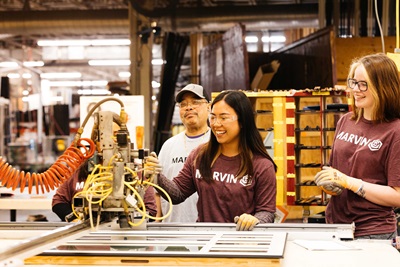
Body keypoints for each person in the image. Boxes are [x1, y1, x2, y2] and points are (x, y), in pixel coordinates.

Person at [147, 90, 277, 231]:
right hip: (205, 243)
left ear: (242, 121)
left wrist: (255, 220)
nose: (216, 124)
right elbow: (178, 193)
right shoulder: (200, 155)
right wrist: (157, 175)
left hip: (241, 244)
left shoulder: (261, 165)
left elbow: (267, 212)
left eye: (223, 118)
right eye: (213, 117)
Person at [315, 53, 400, 239]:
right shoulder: (346, 121)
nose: (355, 89)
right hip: (335, 227)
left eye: (363, 84)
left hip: (373, 232)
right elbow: (336, 171)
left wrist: (349, 182)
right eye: (353, 82)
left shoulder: (395, 131)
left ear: (383, 87)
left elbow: (397, 195)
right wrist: (330, 184)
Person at [157, 83, 211, 222]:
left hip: (208, 230)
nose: (189, 107)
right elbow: (157, 190)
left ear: (209, 107)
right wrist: (157, 222)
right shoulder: (169, 145)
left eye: (195, 102)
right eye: (183, 104)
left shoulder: (217, 143)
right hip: (172, 231)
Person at [52, 159, 158, 222]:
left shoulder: (136, 172)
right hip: (83, 243)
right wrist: (76, 220)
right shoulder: (79, 171)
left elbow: (151, 212)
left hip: (123, 240)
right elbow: (58, 202)